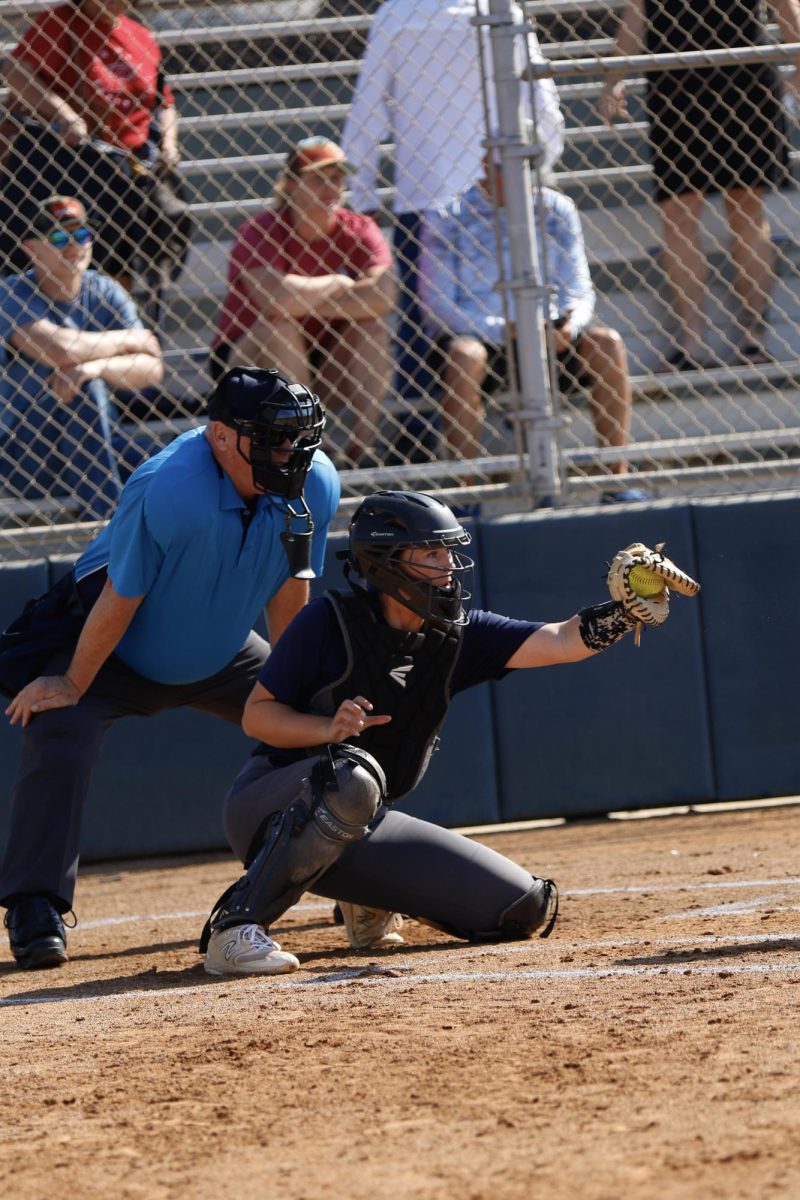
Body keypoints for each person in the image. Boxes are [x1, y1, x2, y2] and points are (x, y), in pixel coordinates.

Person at [198, 490, 665, 977]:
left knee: (520, 908)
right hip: (268, 808)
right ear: (385, 561)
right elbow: (258, 716)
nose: (448, 565)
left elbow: (560, 640)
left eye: (448, 551)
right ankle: (236, 928)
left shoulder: (456, 632)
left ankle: (365, 899)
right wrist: (328, 727)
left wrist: (626, 610)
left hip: (361, 821)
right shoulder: (328, 622)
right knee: (352, 779)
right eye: (431, 553)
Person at [0, 365, 340, 971]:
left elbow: (292, 585)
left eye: (295, 438)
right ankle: (33, 905)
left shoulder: (315, 483)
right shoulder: (169, 487)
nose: (288, 453)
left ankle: (356, 878)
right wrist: (74, 681)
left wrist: (295, 689)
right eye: (271, 438)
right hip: (115, 648)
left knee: (323, 728)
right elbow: (120, 597)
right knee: (58, 733)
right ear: (219, 436)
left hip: (224, 650)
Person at [341, 0, 564, 409]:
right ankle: (528, 416)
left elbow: (368, 109)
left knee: (422, 324)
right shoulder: (501, 11)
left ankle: (418, 431)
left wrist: (364, 197)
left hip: (425, 198)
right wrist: (538, 174)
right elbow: (544, 105)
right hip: (502, 191)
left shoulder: (397, 13)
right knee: (518, 305)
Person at [418, 153, 648, 502]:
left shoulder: (556, 208)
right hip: (483, 337)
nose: (521, 174)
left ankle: (617, 478)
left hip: (549, 333)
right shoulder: (447, 216)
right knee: (464, 356)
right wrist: (501, 330)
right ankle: (463, 493)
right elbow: (436, 303)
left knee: (607, 343)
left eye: (527, 165)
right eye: (508, 165)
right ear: (485, 166)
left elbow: (579, 288)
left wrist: (570, 325)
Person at [599, 0, 800, 370]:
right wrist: (615, 75)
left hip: (744, 75)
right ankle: (691, 342)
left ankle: (753, 338)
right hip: (674, 80)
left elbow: (785, 4)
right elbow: (638, 10)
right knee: (677, 211)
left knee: (745, 209)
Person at [211, 136, 396, 468]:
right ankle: (312, 447)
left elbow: (382, 296)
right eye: (318, 178)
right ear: (290, 184)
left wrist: (302, 300)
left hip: (325, 359)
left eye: (337, 178)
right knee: (280, 326)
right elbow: (273, 300)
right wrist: (338, 283)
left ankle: (363, 448)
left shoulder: (359, 227)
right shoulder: (259, 229)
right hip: (252, 365)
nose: (331, 188)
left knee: (371, 326)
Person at [0, 194, 163, 520]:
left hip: (99, 445)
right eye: (59, 237)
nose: (73, 245)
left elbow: (152, 368)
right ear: (31, 248)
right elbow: (60, 350)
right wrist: (129, 339)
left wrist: (95, 366)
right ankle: (106, 525)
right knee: (87, 390)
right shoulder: (10, 293)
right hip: (27, 456)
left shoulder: (105, 290)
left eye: (82, 235)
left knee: (181, 458)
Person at [1, 0, 183, 288]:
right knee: (68, 251)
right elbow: (15, 71)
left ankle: (122, 319)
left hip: (128, 173)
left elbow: (164, 102)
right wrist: (64, 114)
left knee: (130, 255)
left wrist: (169, 145)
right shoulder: (63, 21)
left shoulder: (140, 35)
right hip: (70, 164)